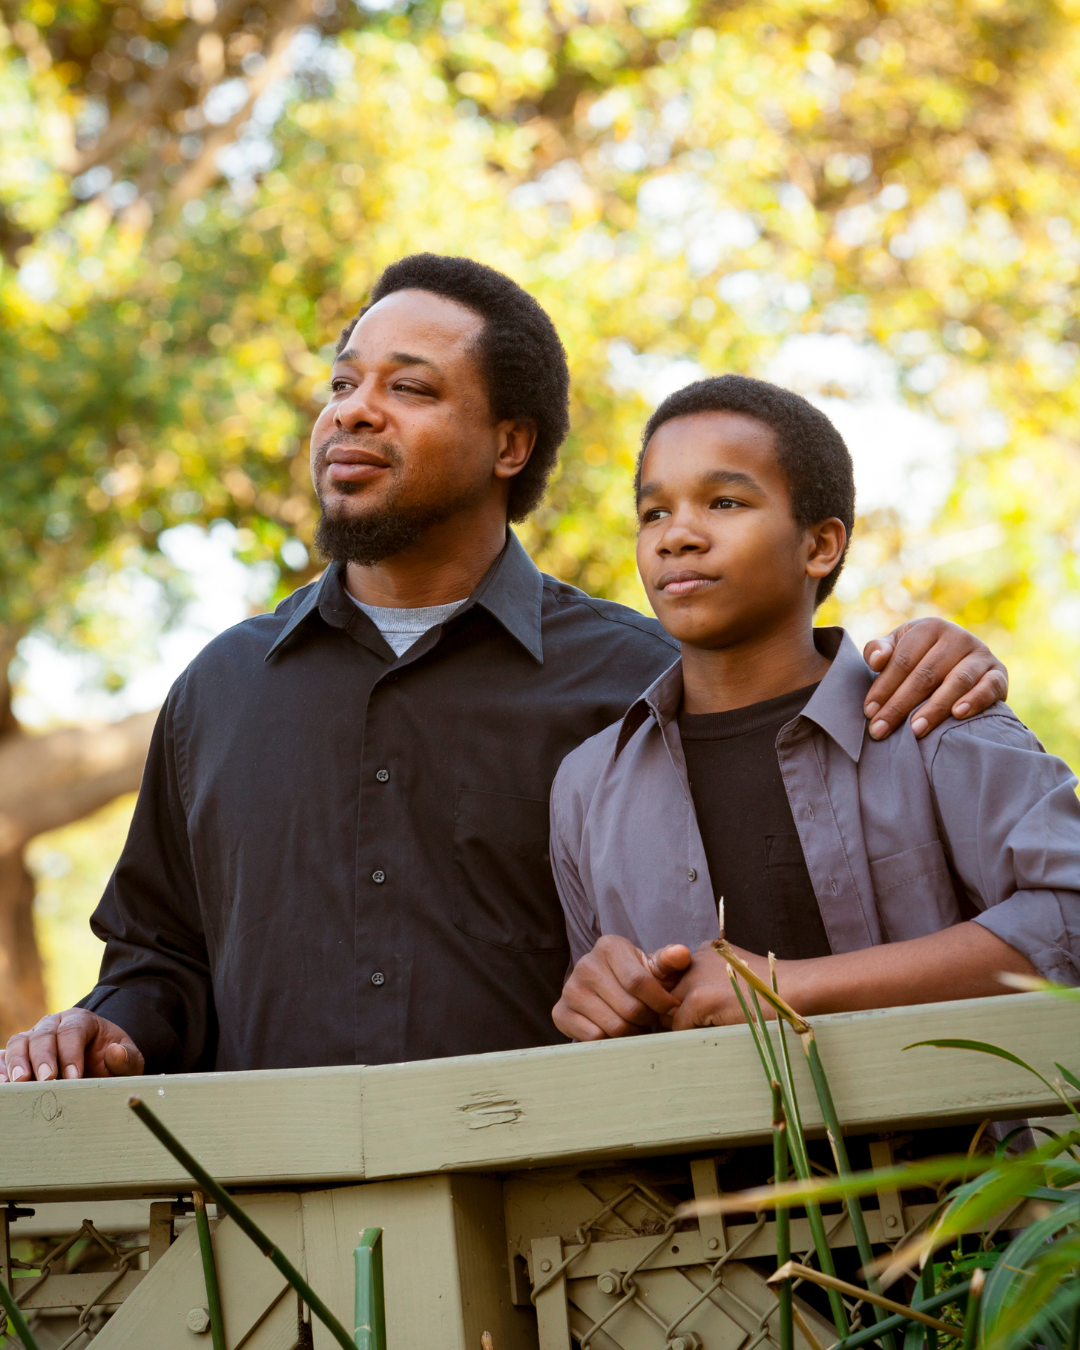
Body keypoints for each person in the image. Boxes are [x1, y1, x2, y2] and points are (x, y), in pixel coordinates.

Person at [2, 259, 1009, 1084]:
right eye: (343, 383)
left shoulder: (647, 681)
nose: (354, 412)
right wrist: (108, 1028)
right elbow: (157, 961)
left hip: (586, 1272)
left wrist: (926, 656)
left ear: (509, 444)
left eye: (409, 387)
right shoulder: (219, 692)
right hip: (275, 1267)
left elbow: (799, 896)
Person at [551, 375, 1080, 1043]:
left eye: (723, 501)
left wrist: (785, 988)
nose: (676, 535)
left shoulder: (934, 717)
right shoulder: (587, 786)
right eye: (654, 513)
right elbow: (602, 1039)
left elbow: (1071, 916)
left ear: (819, 546)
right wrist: (594, 1002)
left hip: (956, 1147)